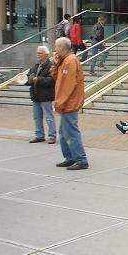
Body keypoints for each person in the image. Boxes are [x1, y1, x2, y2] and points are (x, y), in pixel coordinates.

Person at [50, 37, 89, 170]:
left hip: (69, 103)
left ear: (62, 47)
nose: (55, 49)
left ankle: (81, 159)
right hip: (66, 103)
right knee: (63, 133)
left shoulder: (70, 61)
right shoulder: (65, 61)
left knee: (71, 133)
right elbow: (57, 77)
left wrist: (59, 102)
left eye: (56, 47)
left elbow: (67, 85)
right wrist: (56, 64)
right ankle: (70, 157)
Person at [27, 45, 56, 144]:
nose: (38, 54)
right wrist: (29, 79)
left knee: (49, 116)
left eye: (40, 53)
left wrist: (38, 80)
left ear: (46, 54)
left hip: (46, 96)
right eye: (37, 53)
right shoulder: (36, 65)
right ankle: (39, 135)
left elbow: (52, 80)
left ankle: (52, 136)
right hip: (36, 96)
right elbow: (29, 78)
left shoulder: (51, 65)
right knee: (36, 116)